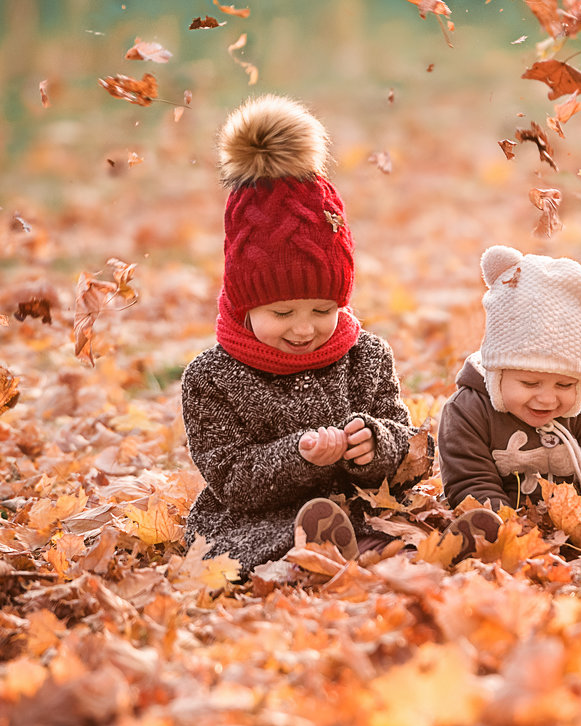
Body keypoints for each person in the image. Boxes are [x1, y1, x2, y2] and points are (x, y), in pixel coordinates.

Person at [181, 94, 428, 577]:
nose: (303, 328)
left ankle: (391, 545)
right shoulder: (211, 378)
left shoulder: (366, 356)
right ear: (244, 302)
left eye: (322, 309)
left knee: (399, 525)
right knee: (254, 541)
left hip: (358, 504)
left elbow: (408, 445)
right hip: (256, 517)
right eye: (281, 312)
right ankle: (318, 547)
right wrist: (298, 456)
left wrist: (374, 445)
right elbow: (230, 477)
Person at [437, 245, 581, 546]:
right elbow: (468, 478)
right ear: (497, 372)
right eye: (530, 384)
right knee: (480, 527)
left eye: (565, 386)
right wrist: (508, 528)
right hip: (506, 525)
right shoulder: (469, 409)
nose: (547, 399)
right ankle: (489, 532)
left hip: (574, 522)